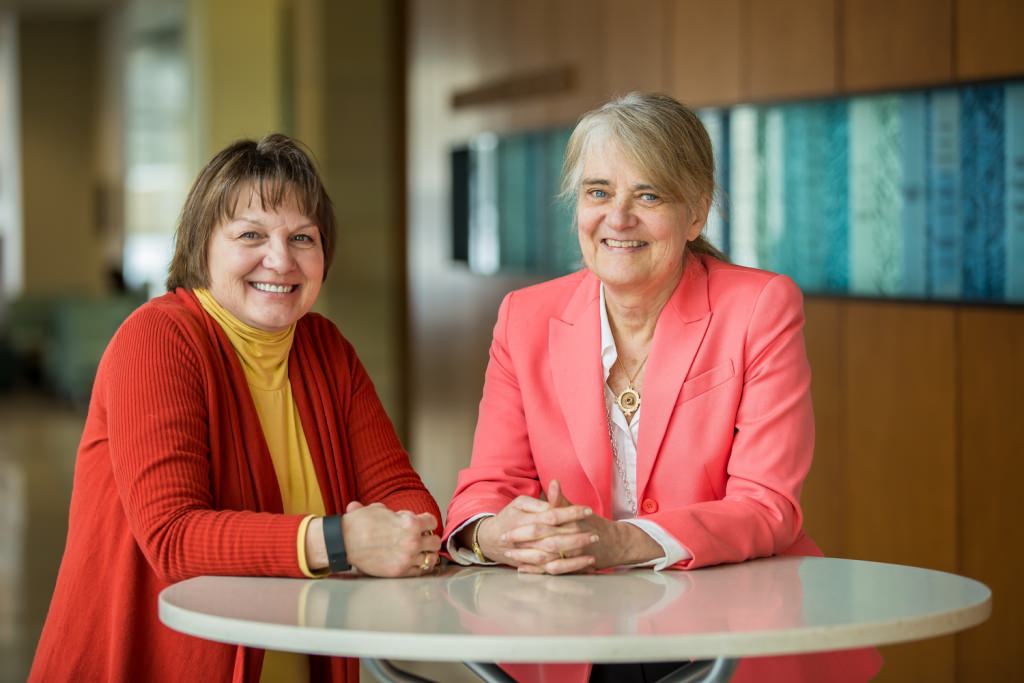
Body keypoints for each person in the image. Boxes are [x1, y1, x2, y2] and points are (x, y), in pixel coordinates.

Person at [442, 93, 882, 682]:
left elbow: (766, 505)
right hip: (572, 637)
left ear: (696, 213)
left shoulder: (758, 308)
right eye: (599, 192)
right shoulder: (525, 317)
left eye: (647, 195)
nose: (617, 218)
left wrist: (621, 542)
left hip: (730, 633)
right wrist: (503, 535)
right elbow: (485, 487)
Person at [30, 134, 442, 683]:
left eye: (303, 237)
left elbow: (407, 500)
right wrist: (344, 541)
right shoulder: (155, 341)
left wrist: (405, 537)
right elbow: (174, 539)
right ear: (202, 245)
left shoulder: (325, 347)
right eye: (251, 234)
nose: (281, 259)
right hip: (156, 662)